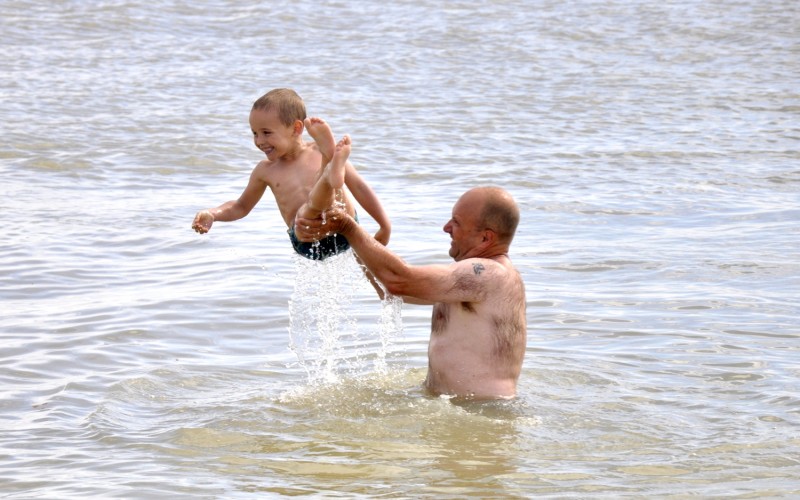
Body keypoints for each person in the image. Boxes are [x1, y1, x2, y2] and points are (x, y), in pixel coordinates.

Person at [295, 186, 527, 400]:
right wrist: (353, 238)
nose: (446, 228)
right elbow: (392, 291)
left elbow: (400, 281)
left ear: (486, 238)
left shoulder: (489, 275)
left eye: (456, 222)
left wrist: (348, 227)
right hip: (454, 406)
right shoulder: (472, 280)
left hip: (483, 412)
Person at [192, 88, 390, 260]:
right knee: (309, 209)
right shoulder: (265, 170)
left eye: (266, 132)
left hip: (344, 229)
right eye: (254, 133)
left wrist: (384, 225)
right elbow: (240, 206)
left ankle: (329, 172)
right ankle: (329, 172)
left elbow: (359, 187)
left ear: (296, 128)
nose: (259, 141)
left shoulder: (317, 150)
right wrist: (213, 214)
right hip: (307, 240)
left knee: (329, 192)